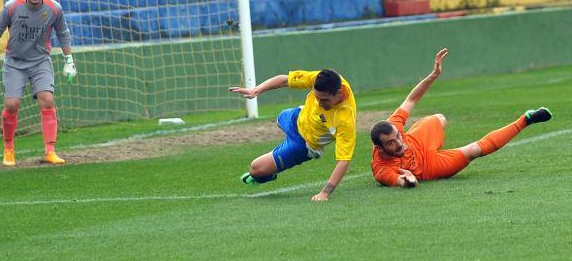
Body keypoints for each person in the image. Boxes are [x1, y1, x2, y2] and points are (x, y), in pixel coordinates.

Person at [370, 48, 552, 188]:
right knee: (474, 151)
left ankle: (435, 142)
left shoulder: (394, 128)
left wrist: (433, 76)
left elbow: (411, 99)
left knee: (440, 118)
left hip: (417, 141)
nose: (399, 143)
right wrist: (408, 180)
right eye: (391, 143)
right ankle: (526, 119)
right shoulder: (382, 170)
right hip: (429, 167)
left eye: (398, 137)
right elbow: (400, 181)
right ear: (379, 148)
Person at [0, 0, 77, 166]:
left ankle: (50, 151)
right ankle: (8, 149)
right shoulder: (12, 7)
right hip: (15, 62)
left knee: (47, 99)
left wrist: (69, 60)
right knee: (12, 105)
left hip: (40, 61)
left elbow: (63, 33)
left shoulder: (54, 8)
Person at [229, 68, 357, 202]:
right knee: (280, 118)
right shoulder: (319, 78)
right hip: (296, 116)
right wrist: (256, 90)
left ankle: (269, 174)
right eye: (317, 98)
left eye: (324, 100)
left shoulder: (344, 119)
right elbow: (284, 80)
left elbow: (343, 161)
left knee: (256, 169)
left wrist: (324, 193)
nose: (319, 103)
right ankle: (274, 161)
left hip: (303, 144)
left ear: (339, 93)